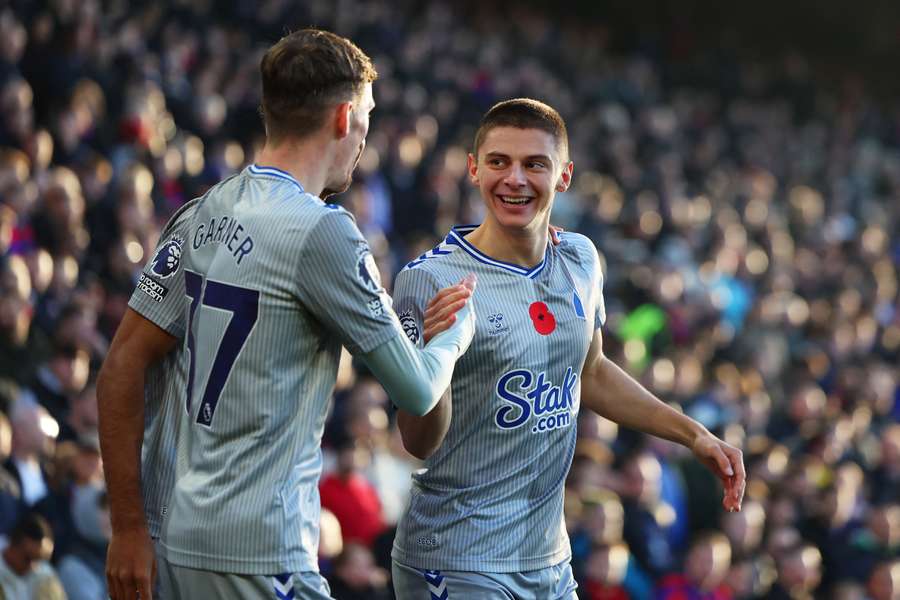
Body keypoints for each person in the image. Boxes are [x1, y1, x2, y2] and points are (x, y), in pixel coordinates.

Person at [99, 28, 477, 600]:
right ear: (345, 118)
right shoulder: (323, 232)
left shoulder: (201, 212)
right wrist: (453, 336)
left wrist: (128, 527)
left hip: (174, 543)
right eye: (368, 119)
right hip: (261, 552)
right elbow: (419, 390)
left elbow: (121, 366)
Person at [390, 98, 746, 599]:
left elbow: (593, 371)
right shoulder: (429, 281)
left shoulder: (579, 257)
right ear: (474, 169)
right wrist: (435, 360)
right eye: (498, 162)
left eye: (534, 164)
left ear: (564, 175)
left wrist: (693, 436)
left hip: (549, 561)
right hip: (457, 557)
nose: (514, 178)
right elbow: (417, 441)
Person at [97, 196, 199, 600]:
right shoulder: (201, 223)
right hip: (170, 531)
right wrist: (128, 527)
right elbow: (120, 368)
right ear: (339, 126)